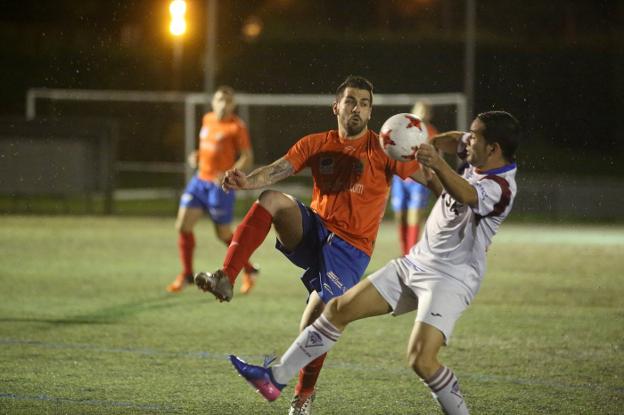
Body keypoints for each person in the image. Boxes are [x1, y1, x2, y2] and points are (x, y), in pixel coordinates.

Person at [229, 111, 521, 415]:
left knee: (421, 360)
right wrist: (429, 141)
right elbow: (453, 140)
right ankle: (275, 378)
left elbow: (467, 194)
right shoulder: (478, 152)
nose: (468, 140)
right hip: (417, 262)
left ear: (493, 149)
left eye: (475, 137)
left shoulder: (501, 188)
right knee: (337, 309)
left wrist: (436, 162)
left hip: (451, 278)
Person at [194, 75, 421, 414]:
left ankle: (303, 396)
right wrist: (246, 181)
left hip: (351, 250)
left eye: (364, 103)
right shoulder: (318, 143)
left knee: (315, 322)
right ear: (336, 107)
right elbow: (277, 170)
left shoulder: (384, 150)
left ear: (371, 113)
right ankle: (227, 275)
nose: (356, 108)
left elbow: (427, 177)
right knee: (271, 199)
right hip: (315, 230)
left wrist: (459, 197)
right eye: (350, 101)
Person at [166, 86, 260, 294]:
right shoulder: (208, 119)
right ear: (213, 102)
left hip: (220, 186)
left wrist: (229, 173)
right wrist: (197, 156)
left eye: (228, 101)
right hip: (199, 181)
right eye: (220, 99)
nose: (223, 104)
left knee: (223, 233)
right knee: (183, 225)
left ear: (233, 105)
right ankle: (187, 274)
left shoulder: (236, 126)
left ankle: (249, 269)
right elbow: (207, 147)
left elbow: (247, 157)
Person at [391, 100, 439, 255]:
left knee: (414, 216)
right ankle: (403, 252)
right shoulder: (404, 129)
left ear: (430, 115)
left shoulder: (432, 133)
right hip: (401, 178)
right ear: (414, 112)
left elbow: (437, 156)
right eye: (421, 110)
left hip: (419, 181)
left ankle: (411, 253)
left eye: (426, 111)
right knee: (400, 215)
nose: (423, 114)